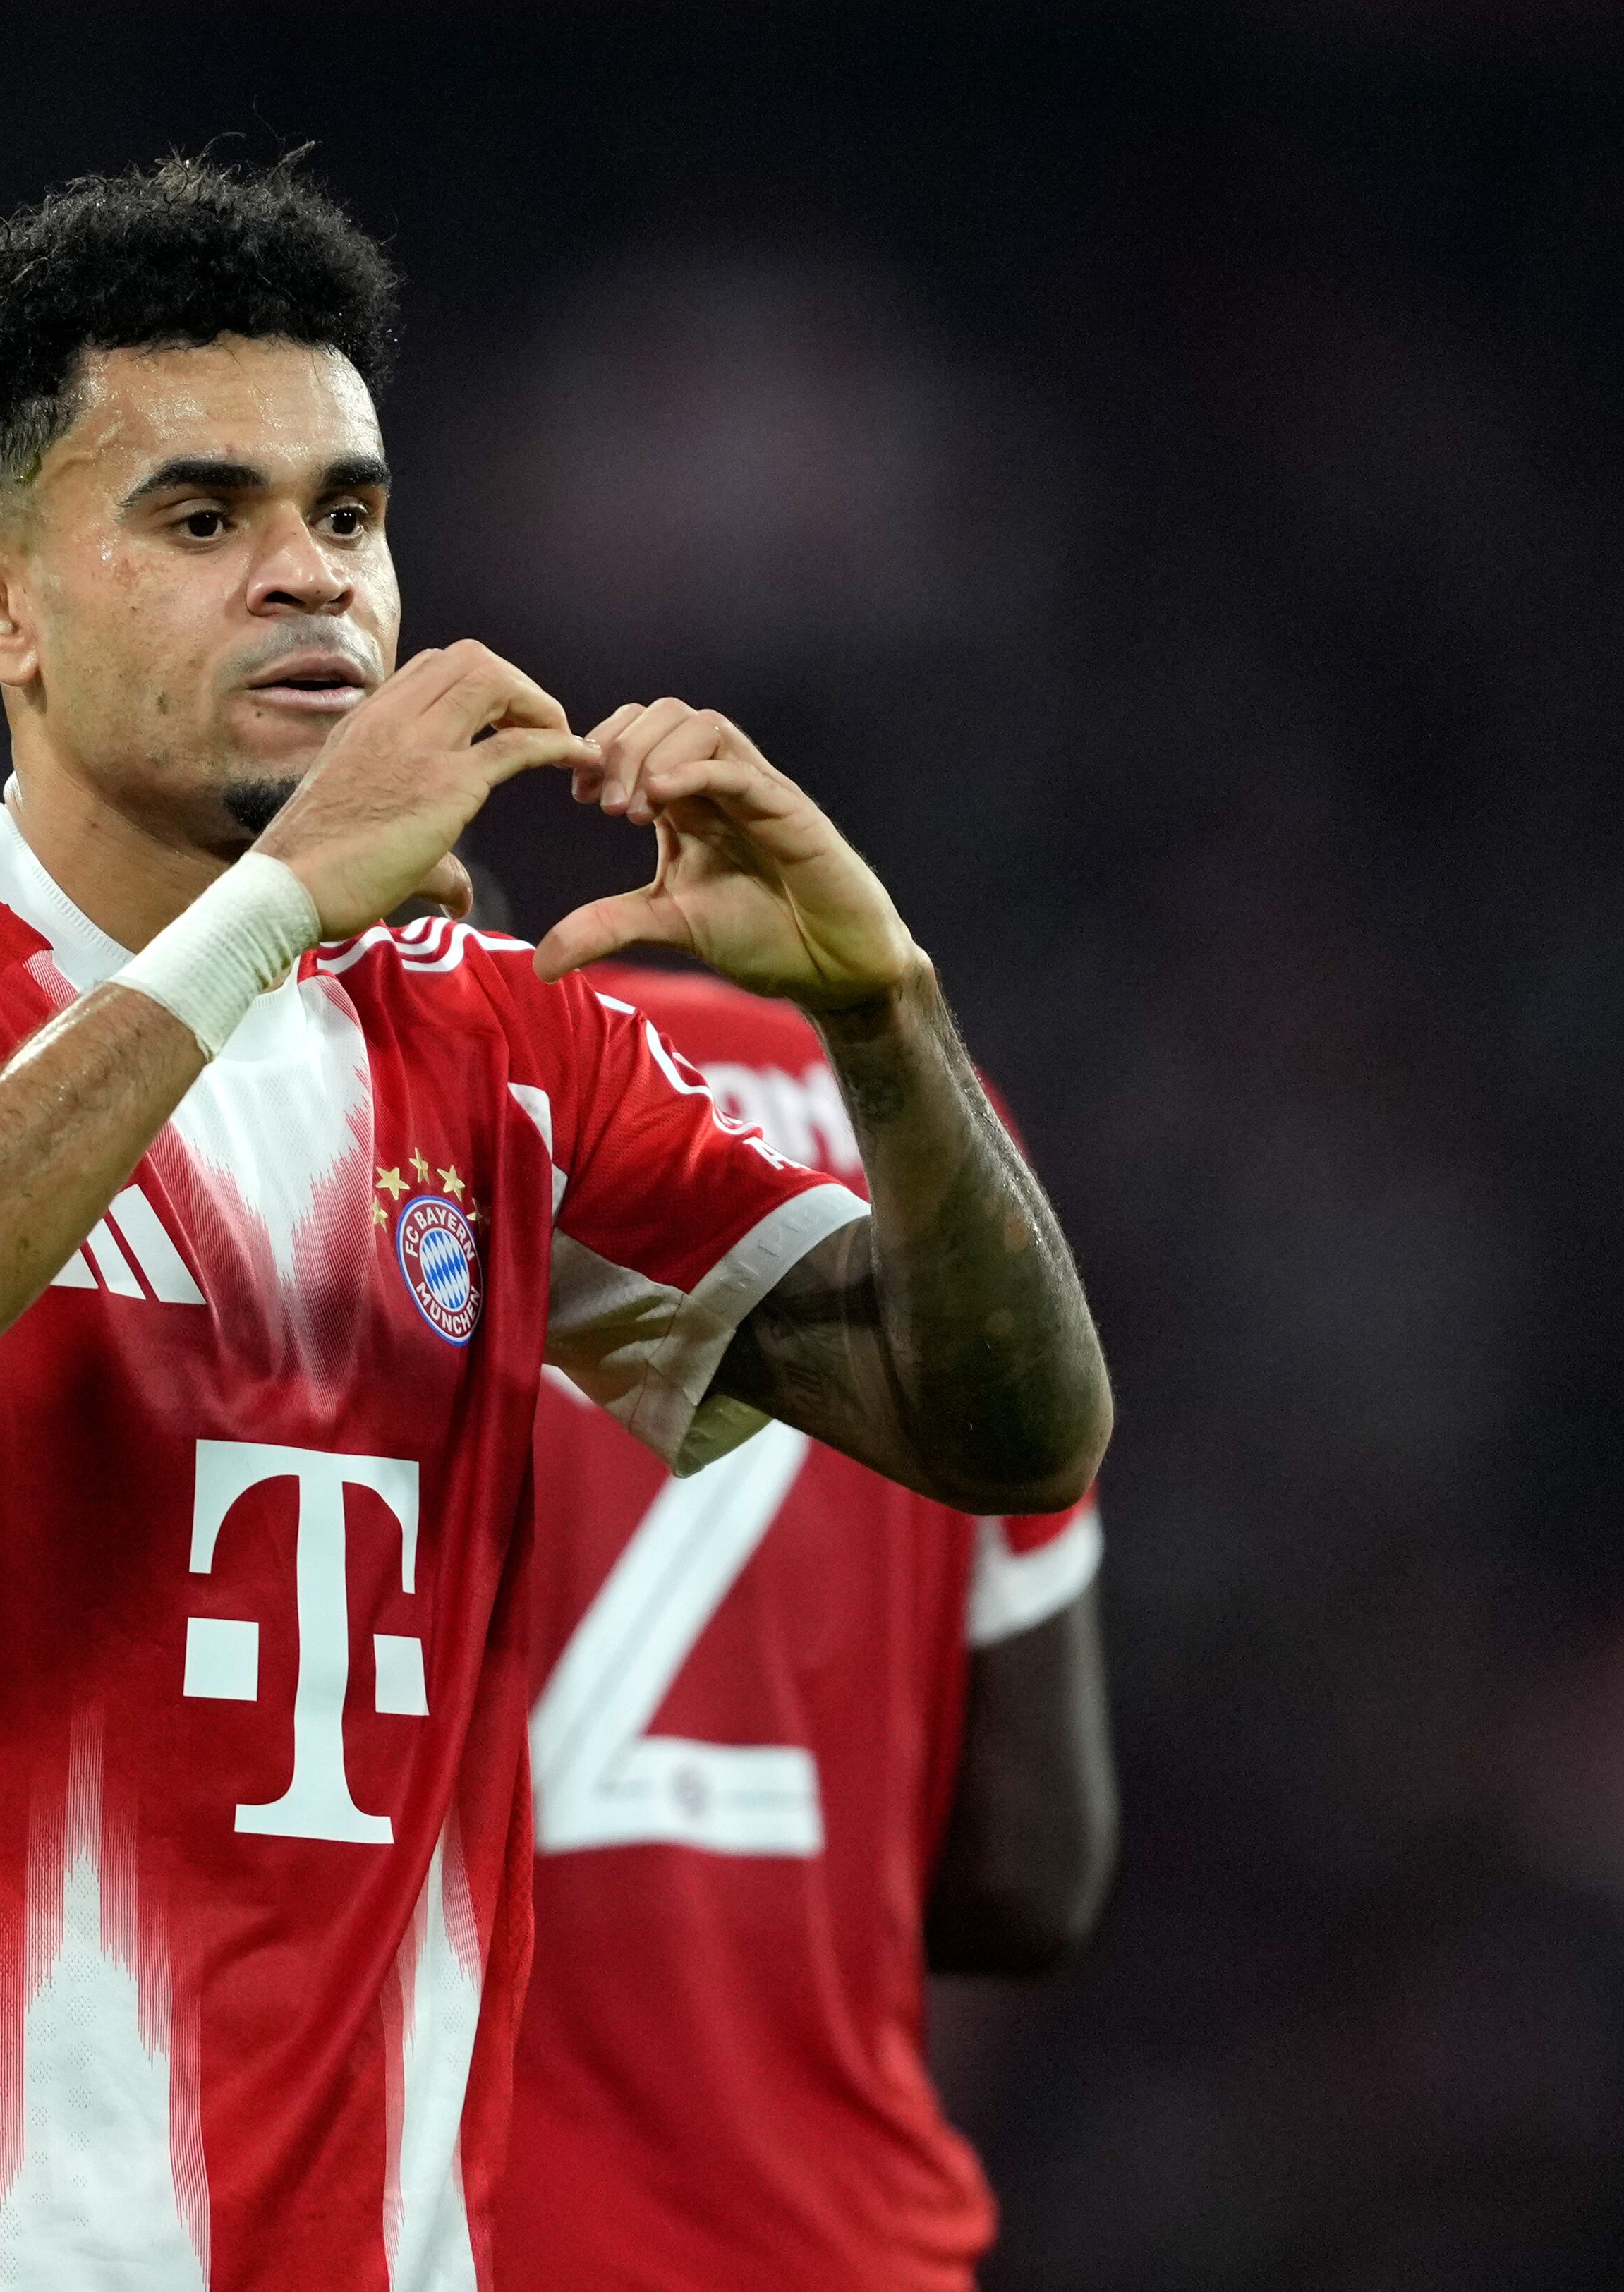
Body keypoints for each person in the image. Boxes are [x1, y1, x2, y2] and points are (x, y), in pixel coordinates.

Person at [0, 157, 1113, 2289]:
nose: (311, 580)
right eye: (204, 517)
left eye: (348, 511)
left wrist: (892, 1015)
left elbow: (1004, 1430)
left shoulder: (494, 1043)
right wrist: (274, 908)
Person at [502, 960, 1117, 2292]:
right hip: (846, 2243)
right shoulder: (919, 1131)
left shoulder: (382, 1123)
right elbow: (1033, 1870)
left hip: (476, 2234)